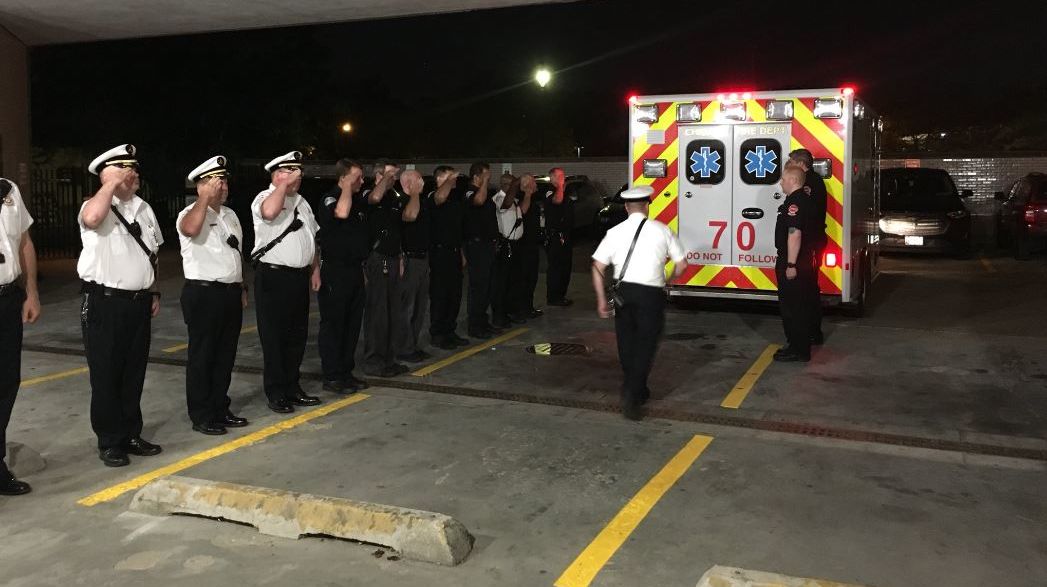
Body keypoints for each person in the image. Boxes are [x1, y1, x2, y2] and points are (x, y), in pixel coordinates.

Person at [79, 144, 164, 467]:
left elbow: (152, 252)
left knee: (133, 373)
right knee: (106, 374)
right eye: (126, 169)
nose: (135, 173)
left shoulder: (143, 208)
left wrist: (153, 290)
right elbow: (92, 218)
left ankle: (130, 433)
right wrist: (110, 185)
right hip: (105, 302)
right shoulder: (96, 204)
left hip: (138, 302)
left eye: (135, 169)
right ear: (108, 174)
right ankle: (110, 440)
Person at [591, 186, 685, 421]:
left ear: (625, 207)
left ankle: (638, 388)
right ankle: (632, 393)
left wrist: (602, 299)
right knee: (646, 343)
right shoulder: (663, 230)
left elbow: (597, 266)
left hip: (623, 293)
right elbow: (682, 263)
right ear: (648, 205)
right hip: (650, 294)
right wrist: (670, 280)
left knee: (626, 341)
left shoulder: (614, 232)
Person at [176, 156, 250, 435]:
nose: (223, 186)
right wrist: (204, 200)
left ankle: (220, 406)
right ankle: (202, 414)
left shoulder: (230, 215)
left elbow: (235, 254)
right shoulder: (190, 213)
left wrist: (241, 285)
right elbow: (190, 230)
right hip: (203, 293)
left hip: (229, 293)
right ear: (201, 186)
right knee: (203, 355)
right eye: (215, 182)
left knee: (225, 355)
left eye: (224, 180)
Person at [250, 151, 322, 413]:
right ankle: (276, 391)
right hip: (274, 277)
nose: (297, 177)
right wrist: (282, 185)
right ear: (277, 175)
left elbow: (312, 238)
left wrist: (315, 269)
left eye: (298, 173)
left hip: (299, 277)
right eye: (290, 172)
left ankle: (293, 386)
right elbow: (269, 212)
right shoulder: (264, 197)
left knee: (297, 336)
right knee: (275, 337)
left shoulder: (302, 202)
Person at [317, 159, 371, 394]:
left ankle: (345, 372)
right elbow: (341, 212)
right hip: (335, 270)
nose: (362, 181)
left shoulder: (357, 201)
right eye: (356, 177)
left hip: (354, 269)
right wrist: (347, 187)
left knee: (351, 324)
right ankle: (332, 375)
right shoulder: (330, 198)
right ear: (343, 178)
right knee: (335, 323)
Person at [0, 177, 40, 494]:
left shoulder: (8, 189)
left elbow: (24, 242)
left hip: (7, 298)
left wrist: (31, 292)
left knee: (6, 381)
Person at [362, 160, 409, 377]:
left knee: (392, 312)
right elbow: (374, 198)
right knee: (378, 312)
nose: (395, 178)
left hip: (391, 257)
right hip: (376, 258)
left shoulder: (394, 197)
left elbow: (396, 229)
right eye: (391, 174)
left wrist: (399, 255)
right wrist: (386, 179)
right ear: (379, 176)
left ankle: (388, 359)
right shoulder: (368, 194)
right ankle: (374, 360)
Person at [773, 166, 817, 362]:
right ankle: (798, 344)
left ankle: (798, 349)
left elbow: (794, 234)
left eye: (783, 179)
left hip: (794, 261)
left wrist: (791, 265)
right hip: (804, 260)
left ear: (793, 180)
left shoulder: (795, 203)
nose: (781, 182)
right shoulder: (804, 199)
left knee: (792, 306)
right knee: (800, 304)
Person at [788, 148, 827, 345]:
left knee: (807, 291)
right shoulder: (813, 181)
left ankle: (811, 332)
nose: (789, 168)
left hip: (809, 244)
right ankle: (811, 332)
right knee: (808, 290)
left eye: (792, 163)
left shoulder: (810, 183)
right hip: (810, 243)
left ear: (801, 163)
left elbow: (805, 219)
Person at [427, 166, 468, 350]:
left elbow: (457, 231)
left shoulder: (454, 201)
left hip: (453, 252)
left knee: (454, 294)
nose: (454, 180)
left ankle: (450, 330)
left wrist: (461, 252)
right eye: (449, 177)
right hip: (439, 253)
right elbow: (439, 198)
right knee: (440, 294)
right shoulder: (432, 197)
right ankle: (438, 333)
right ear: (439, 180)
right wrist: (449, 180)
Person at [395, 169, 432, 363]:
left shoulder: (422, 202)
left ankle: (412, 345)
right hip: (409, 260)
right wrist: (415, 193)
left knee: (419, 306)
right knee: (407, 307)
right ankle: (403, 348)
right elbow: (410, 216)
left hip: (423, 259)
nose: (423, 183)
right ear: (409, 183)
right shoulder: (401, 201)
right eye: (419, 180)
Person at [463, 162, 499, 339]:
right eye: (486, 176)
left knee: (487, 286)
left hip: (488, 245)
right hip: (476, 246)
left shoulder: (486, 193)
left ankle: (483, 321)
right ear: (476, 177)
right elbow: (478, 201)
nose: (489, 179)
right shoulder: (470, 191)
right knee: (478, 286)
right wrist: (483, 183)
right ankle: (475, 326)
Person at [490, 173, 526, 328]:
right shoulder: (499, 198)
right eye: (513, 185)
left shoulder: (514, 200)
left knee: (513, 282)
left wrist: (529, 193)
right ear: (505, 184)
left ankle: (510, 312)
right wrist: (516, 184)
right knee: (501, 283)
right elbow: (505, 204)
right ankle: (499, 316)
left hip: (516, 245)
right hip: (505, 246)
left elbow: (522, 211)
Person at [544, 167, 574, 307]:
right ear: (553, 178)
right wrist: (561, 187)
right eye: (560, 175)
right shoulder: (550, 190)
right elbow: (557, 201)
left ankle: (561, 295)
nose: (563, 177)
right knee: (556, 267)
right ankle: (553, 297)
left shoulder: (563, 191)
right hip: (555, 236)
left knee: (565, 267)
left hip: (566, 235)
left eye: (563, 175)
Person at [516, 173, 542, 319]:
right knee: (523, 278)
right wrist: (527, 194)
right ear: (526, 185)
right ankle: (521, 308)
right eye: (533, 183)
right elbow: (522, 212)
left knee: (532, 277)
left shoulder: (534, 199)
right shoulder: (521, 198)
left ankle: (528, 306)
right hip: (523, 245)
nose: (536, 185)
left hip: (533, 244)